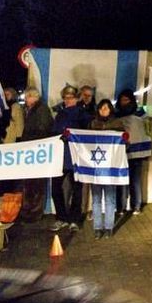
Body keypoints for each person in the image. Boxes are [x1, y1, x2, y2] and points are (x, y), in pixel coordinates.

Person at [50, 85, 90, 232]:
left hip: (75, 157)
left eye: (71, 97)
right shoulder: (59, 114)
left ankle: (74, 219)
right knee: (55, 188)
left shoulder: (83, 114)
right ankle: (61, 218)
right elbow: (53, 133)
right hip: (60, 157)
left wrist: (72, 136)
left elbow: (87, 133)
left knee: (77, 190)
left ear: (76, 98)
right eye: (66, 97)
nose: (68, 100)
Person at [88, 99, 126, 238]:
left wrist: (124, 140)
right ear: (98, 110)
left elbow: (123, 145)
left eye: (106, 108)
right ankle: (98, 227)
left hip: (110, 168)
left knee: (110, 198)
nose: (104, 110)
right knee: (96, 199)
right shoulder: (93, 124)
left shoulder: (117, 124)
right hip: (96, 169)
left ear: (111, 109)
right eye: (101, 108)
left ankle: (109, 227)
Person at [18, 87, 52, 223]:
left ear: (33, 97)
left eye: (27, 97)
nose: (25, 100)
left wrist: (29, 140)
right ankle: (27, 210)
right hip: (31, 151)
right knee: (29, 183)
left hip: (37, 151)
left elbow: (43, 129)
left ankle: (35, 212)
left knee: (37, 184)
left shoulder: (42, 110)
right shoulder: (31, 110)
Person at [116, 88, 152, 214]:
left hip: (138, 152)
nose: (123, 102)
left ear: (131, 100)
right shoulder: (117, 114)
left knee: (135, 180)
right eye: (121, 100)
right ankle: (121, 206)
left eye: (126, 99)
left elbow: (146, 130)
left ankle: (136, 205)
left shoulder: (141, 113)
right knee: (121, 181)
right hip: (122, 152)